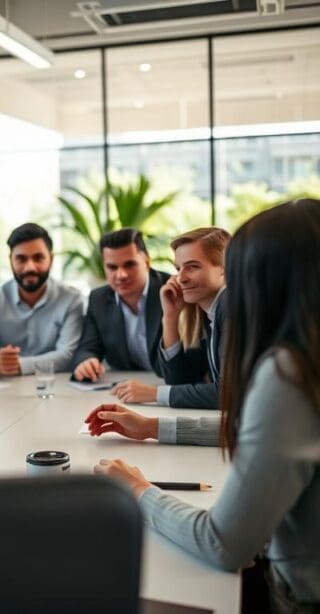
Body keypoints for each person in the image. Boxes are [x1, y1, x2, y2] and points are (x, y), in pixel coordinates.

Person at [89, 199, 320, 613]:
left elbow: (221, 542)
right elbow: (260, 428)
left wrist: (140, 491)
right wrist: (153, 428)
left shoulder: (290, 372)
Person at [112, 227, 229, 409]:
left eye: (192, 267)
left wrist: (154, 394)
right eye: (178, 268)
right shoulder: (209, 313)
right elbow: (179, 380)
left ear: (223, 269)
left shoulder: (229, 306)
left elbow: (229, 394)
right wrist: (170, 317)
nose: (180, 278)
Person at [0, 222, 84, 376]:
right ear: (11, 260)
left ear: (51, 259)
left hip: (53, 387)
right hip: (3, 390)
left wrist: (18, 365)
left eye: (38, 258)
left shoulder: (71, 299)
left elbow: (67, 355)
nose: (30, 267)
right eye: (21, 259)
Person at [71, 228, 169, 381]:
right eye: (112, 267)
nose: (121, 275)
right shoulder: (98, 299)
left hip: (169, 384)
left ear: (147, 262)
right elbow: (87, 348)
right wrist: (86, 362)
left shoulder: (171, 291)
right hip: (125, 386)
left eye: (129, 265)